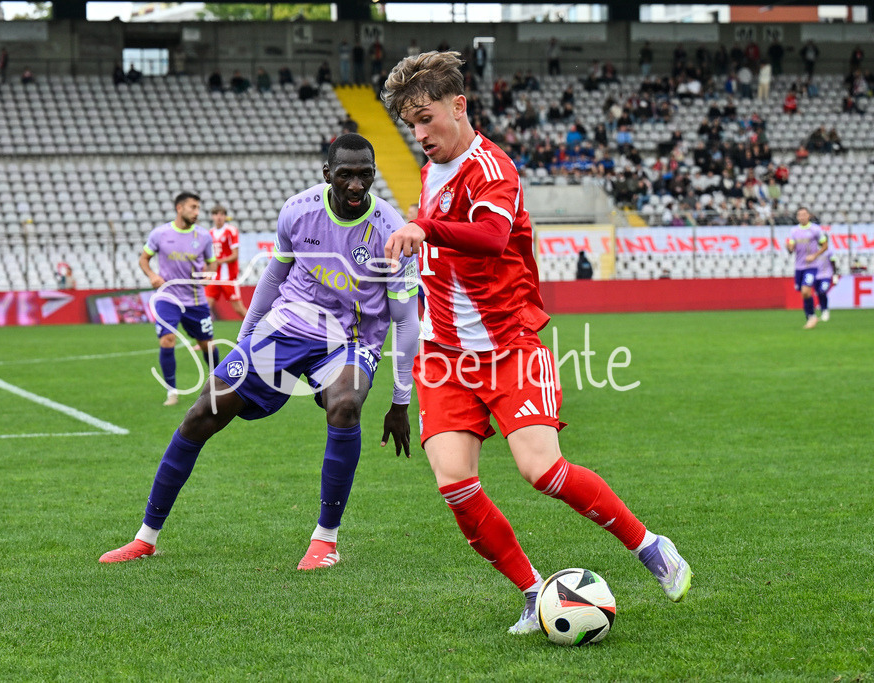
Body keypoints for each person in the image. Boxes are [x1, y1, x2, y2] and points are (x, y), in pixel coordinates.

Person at [380, 51, 692, 635]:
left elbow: (492, 237)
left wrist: (424, 228)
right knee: (455, 484)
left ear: (458, 106)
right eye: (410, 124)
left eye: (425, 119)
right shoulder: (431, 168)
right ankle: (531, 593)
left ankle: (650, 545)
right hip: (443, 355)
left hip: (508, 347)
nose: (419, 134)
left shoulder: (491, 168)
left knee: (541, 470)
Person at [99, 133, 421, 569]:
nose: (355, 185)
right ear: (327, 173)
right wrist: (246, 339)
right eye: (345, 175)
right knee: (204, 411)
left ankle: (325, 540)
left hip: (351, 340)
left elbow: (406, 319)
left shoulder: (391, 231)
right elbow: (273, 277)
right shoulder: (298, 211)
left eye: (365, 175)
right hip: (287, 327)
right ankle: (146, 537)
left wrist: (400, 401)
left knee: (344, 404)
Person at [139, 192, 220, 406]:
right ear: (179, 208)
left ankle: (218, 385)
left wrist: (209, 275)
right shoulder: (160, 234)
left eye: (198, 208)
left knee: (207, 345)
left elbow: (212, 262)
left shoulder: (203, 236)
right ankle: (172, 392)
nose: (197, 212)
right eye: (193, 207)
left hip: (195, 300)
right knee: (167, 339)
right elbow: (144, 259)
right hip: (168, 298)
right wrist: (152, 275)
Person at [786, 206, 828, 329]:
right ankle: (810, 316)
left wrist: (814, 256)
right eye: (799, 215)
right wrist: (788, 247)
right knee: (804, 294)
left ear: (808, 215)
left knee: (805, 290)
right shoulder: (794, 231)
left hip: (811, 266)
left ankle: (812, 316)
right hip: (799, 267)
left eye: (804, 214)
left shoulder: (815, 229)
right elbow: (791, 249)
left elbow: (825, 245)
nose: (802, 217)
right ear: (797, 217)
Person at [205, 204, 248, 320]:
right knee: (206, 307)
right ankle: (203, 330)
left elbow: (235, 255)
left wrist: (219, 261)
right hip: (214, 276)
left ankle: (255, 327)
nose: (219, 217)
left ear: (225, 216)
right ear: (212, 217)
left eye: (221, 214)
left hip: (228, 277)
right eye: (216, 214)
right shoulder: (210, 233)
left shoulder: (231, 231)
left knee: (239, 309)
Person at [813, 241, 837, 322]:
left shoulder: (829, 251)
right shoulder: (814, 250)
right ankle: (823, 310)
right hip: (816, 276)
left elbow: (833, 263)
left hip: (826, 275)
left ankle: (825, 310)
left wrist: (835, 275)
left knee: (822, 291)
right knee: (818, 293)